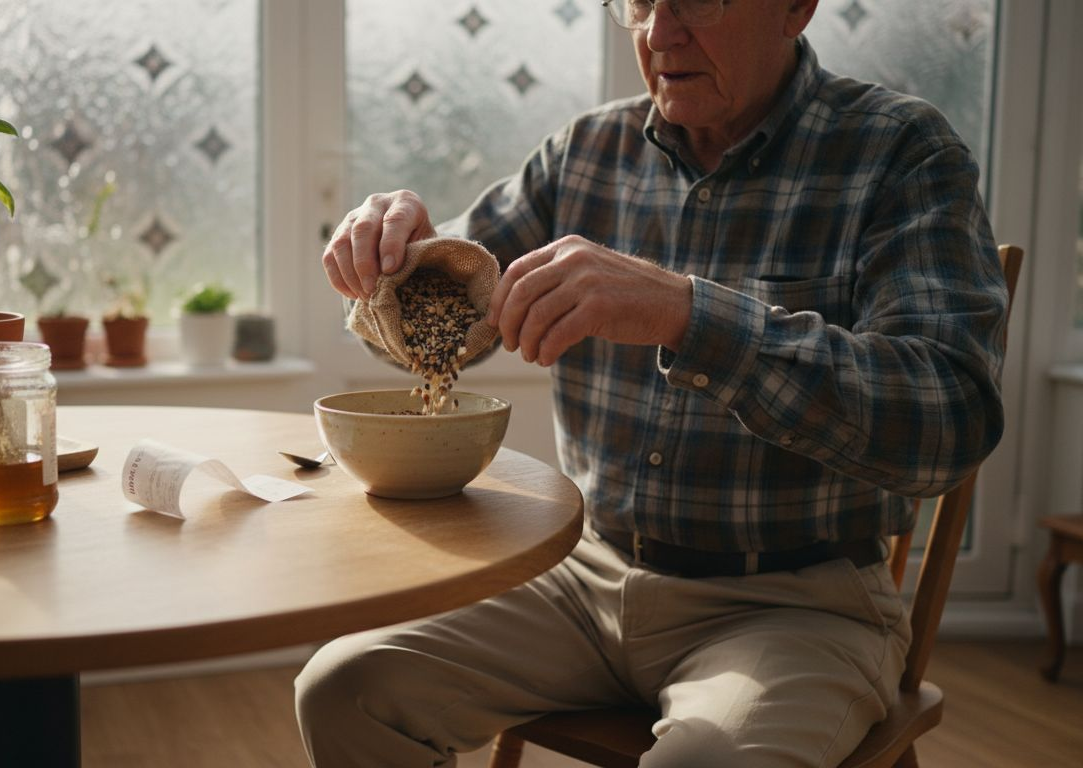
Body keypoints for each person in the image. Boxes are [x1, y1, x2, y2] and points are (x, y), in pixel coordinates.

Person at [297, 0, 1009, 765]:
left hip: (797, 603)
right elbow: (445, 316)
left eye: (695, 0)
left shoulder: (900, 151)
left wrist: (688, 315)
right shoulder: (584, 152)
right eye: (638, 2)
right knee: (344, 688)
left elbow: (948, 424)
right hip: (581, 574)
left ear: (796, 8)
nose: (660, 34)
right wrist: (390, 260)